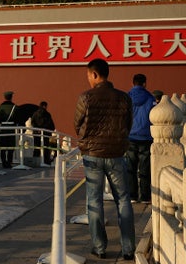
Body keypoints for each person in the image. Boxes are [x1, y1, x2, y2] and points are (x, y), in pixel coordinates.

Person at [74, 58, 135, 260]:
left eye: (88, 76)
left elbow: (77, 123)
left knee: (94, 200)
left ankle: (99, 247)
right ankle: (128, 249)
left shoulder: (86, 97)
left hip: (92, 155)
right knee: (123, 200)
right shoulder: (123, 98)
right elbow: (128, 124)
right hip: (116, 154)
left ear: (94, 74)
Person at [126, 73, 156, 203]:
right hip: (146, 137)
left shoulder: (127, 97)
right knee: (145, 168)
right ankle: (145, 196)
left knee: (130, 168)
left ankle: (132, 195)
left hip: (131, 136)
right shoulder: (150, 98)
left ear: (133, 83)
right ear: (144, 84)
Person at [0, 90, 17, 169]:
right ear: (11, 97)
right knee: (11, 146)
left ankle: (4, 162)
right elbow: (18, 118)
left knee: (2, 146)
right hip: (11, 128)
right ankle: (9, 162)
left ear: (4, 97)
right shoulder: (15, 107)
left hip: (3, 128)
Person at [31, 101, 55, 165]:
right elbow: (50, 124)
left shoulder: (35, 113)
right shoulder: (47, 114)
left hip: (37, 133)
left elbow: (32, 122)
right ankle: (46, 161)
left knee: (37, 147)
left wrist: (37, 129)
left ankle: (36, 162)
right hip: (45, 133)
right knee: (45, 147)